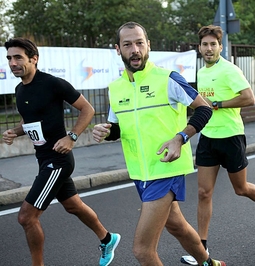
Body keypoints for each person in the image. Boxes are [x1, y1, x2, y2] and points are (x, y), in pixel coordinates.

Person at [92, 22, 226, 266]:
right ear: (117, 49)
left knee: (142, 250)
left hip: (166, 169)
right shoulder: (115, 88)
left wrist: (180, 138)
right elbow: (117, 129)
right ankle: (209, 263)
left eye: (140, 43)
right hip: (140, 173)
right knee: (178, 227)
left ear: (148, 45)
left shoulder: (167, 79)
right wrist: (105, 131)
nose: (135, 49)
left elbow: (204, 109)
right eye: (128, 44)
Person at [2, 38, 120, 266]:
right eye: (9, 58)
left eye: (18, 57)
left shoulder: (52, 83)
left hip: (59, 160)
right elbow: (30, 123)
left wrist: (72, 136)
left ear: (33, 59)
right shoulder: (19, 89)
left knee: (26, 217)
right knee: (73, 205)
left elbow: (88, 109)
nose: (13, 63)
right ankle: (108, 238)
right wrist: (14, 132)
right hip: (44, 158)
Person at [181, 25, 255, 266]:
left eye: (213, 44)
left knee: (241, 188)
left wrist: (219, 104)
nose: (209, 48)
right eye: (205, 44)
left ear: (220, 47)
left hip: (232, 137)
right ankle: (201, 251)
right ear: (200, 47)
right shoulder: (201, 72)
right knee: (203, 193)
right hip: (208, 137)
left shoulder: (230, 69)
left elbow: (250, 98)